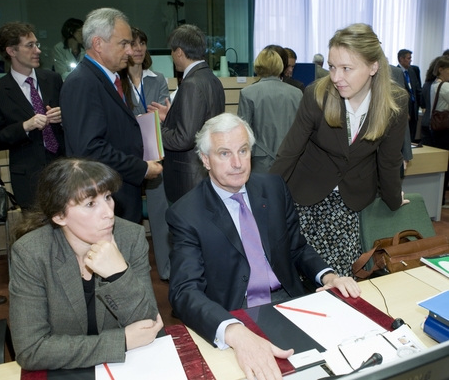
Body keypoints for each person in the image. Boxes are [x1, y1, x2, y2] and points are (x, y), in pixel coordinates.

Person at [167, 112, 361, 380]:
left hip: (289, 300)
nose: (237, 163)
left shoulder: (273, 187)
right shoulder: (186, 213)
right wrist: (232, 330)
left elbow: (296, 247)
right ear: (205, 160)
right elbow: (184, 291)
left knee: (344, 360)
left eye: (243, 151)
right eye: (224, 154)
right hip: (234, 312)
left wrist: (329, 275)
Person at [270, 23, 409, 277]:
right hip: (307, 196)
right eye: (333, 67)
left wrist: (394, 199)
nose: (335, 77)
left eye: (346, 68)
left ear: (373, 67)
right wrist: (264, 199)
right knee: (300, 272)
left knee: (340, 278)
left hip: (350, 203)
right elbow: (289, 152)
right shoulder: (317, 94)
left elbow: (389, 161)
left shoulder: (394, 102)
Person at [9, 158, 163, 370]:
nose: (109, 213)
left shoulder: (130, 237)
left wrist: (118, 275)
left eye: (108, 197)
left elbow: (149, 324)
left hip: (124, 368)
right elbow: (31, 350)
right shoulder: (31, 253)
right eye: (90, 204)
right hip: (64, 373)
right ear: (59, 216)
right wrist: (122, 341)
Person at [60, 8, 162, 223]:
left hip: (118, 192)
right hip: (104, 198)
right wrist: (141, 168)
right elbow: (89, 149)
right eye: (124, 43)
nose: (130, 51)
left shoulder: (108, 79)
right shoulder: (83, 82)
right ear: (98, 44)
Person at [148, 24, 225, 203]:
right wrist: (171, 118)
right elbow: (199, 123)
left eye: (172, 52)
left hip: (188, 178)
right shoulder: (212, 79)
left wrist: (156, 129)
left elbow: (184, 138)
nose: (172, 57)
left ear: (179, 52)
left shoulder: (191, 84)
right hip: (204, 172)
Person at [118, 26, 171, 280]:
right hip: (126, 155)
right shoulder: (116, 81)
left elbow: (161, 115)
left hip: (153, 152)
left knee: (160, 216)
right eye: (133, 43)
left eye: (142, 43)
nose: (138, 48)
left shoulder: (158, 78)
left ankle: (166, 270)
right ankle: (128, 273)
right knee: (126, 216)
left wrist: (144, 117)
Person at [0, 22, 65, 210]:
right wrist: (24, 127)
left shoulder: (52, 79)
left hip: (62, 167)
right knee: (37, 231)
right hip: (28, 176)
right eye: (30, 45)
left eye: (37, 44)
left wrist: (63, 116)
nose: (37, 50)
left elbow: (72, 121)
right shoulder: (2, 90)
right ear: (11, 51)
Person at [237, 48, 302, 173]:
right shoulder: (296, 93)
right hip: (290, 159)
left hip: (259, 161)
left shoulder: (248, 93)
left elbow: (243, 133)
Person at [429, 56, 449, 205]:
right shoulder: (445, 87)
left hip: (438, 129)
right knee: (446, 164)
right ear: (441, 70)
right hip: (445, 130)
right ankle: (441, 199)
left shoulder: (434, 84)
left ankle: (439, 198)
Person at [397, 49, 423, 142]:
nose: (410, 60)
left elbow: (417, 89)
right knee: (403, 135)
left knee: (412, 133)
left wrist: (422, 105)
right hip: (404, 108)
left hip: (414, 108)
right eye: (408, 58)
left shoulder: (412, 71)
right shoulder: (396, 72)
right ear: (401, 59)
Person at [421, 57, 439, 147]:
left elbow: (423, 103)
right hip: (438, 124)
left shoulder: (426, 84)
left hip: (426, 122)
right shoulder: (441, 86)